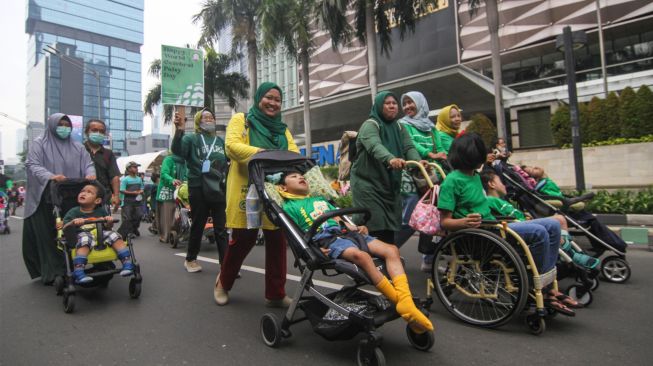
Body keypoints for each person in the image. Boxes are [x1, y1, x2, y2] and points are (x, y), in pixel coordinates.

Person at [437, 133, 579, 315]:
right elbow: (445, 222)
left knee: (553, 225)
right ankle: (534, 287)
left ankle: (548, 288)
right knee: (539, 232)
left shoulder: (474, 176)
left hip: (492, 227)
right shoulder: (451, 181)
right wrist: (464, 222)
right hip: (480, 236)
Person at [278, 171, 434, 333]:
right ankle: (402, 303)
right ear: (283, 187)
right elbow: (295, 234)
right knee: (363, 257)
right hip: (327, 239)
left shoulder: (319, 199)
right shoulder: (289, 207)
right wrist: (312, 250)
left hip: (346, 233)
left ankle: (404, 301)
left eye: (301, 176)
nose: (301, 177)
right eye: (294, 177)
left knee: (392, 250)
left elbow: (339, 218)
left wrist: (354, 227)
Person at [214, 82, 299, 307]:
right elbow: (231, 146)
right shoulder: (242, 120)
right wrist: (265, 154)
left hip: (275, 190)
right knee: (243, 240)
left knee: (277, 241)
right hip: (246, 188)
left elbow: (294, 152)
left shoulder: (282, 129)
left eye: (277, 100)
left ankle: (276, 294)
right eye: (268, 98)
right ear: (259, 98)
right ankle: (223, 283)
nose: (273, 103)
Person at [23, 113, 96, 285]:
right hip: (46, 197)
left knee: (74, 230)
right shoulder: (39, 143)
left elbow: (88, 164)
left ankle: (75, 265)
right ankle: (53, 270)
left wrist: (90, 174)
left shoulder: (77, 147)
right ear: (52, 125)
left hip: (72, 196)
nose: (64, 127)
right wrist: (51, 176)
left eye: (67, 124)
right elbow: (32, 164)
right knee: (50, 235)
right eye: (60, 124)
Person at [481, 170, 600, 270]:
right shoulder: (490, 200)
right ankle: (570, 253)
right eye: (501, 182)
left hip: (523, 222)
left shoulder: (503, 200)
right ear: (491, 184)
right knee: (558, 219)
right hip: (517, 227)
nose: (504, 185)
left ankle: (568, 252)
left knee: (560, 219)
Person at [350, 91, 424, 245]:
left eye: (394, 103)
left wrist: (418, 161)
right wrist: (390, 159)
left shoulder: (399, 127)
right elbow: (374, 146)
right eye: (387, 103)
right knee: (374, 225)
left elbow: (408, 147)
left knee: (390, 227)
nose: (392, 106)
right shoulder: (370, 125)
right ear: (378, 106)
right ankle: (370, 262)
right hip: (368, 186)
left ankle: (386, 261)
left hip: (389, 185)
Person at [522, 165, 628, 253]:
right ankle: (616, 244)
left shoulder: (539, 186)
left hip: (560, 209)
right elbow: (557, 198)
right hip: (561, 211)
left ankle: (610, 244)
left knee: (591, 221)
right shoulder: (542, 186)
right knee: (592, 220)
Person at [172, 108, 228, 272]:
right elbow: (177, 151)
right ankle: (190, 259)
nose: (209, 120)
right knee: (198, 224)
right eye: (205, 117)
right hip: (198, 186)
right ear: (198, 121)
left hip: (218, 187)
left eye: (212, 117)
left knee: (221, 227)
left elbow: (227, 161)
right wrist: (179, 130)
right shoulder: (192, 138)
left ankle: (226, 264)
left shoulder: (220, 141)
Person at [395, 91, 446, 270]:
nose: (408, 107)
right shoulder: (402, 124)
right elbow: (408, 145)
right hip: (410, 174)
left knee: (435, 215)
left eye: (411, 103)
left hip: (430, 176)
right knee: (409, 217)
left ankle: (429, 258)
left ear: (421, 103)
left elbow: (439, 148)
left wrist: (441, 155)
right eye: (405, 103)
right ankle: (387, 252)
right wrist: (428, 154)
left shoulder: (432, 128)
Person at [57, 182, 134, 283]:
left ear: (97, 200)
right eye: (82, 191)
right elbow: (65, 227)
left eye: (89, 192)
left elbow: (107, 227)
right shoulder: (74, 212)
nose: (83, 193)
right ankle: (79, 270)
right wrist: (73, 222)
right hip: (82, 234)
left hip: (101, 235)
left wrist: (108, 221)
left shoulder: (101, 211)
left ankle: (127, 262)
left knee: (114, 235)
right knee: (85, 238)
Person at [83, 119, 121, 209]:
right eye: (94, 130)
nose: (98, 133)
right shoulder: (79, 150)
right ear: (86, 132)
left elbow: (114, 177)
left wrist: (116, 196)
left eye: (102, 131)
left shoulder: (108, 154)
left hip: (103, 198)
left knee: (104, 221)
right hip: (82, 197)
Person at [156, 154, 187, 243]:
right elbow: (164, 173)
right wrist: (172, 180)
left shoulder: (186, 161)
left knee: (182, 212)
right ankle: (165, 235)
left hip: (182, 190)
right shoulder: (168, 159)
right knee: (167, 215)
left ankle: (179, 233)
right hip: (167, 190)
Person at [118, 162, 144, 239]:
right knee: (128, 218)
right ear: (129, 169)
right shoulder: (125, 179)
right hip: (127, 202)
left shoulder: (139, 179)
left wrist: (141, 191)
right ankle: (129, 232)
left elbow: (142, 188)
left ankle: (134, 229)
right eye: (134, 167)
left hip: (137, 202)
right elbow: (122, 190)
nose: (137, 169)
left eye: (137, 167)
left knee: (139, 216)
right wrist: (133, 192)